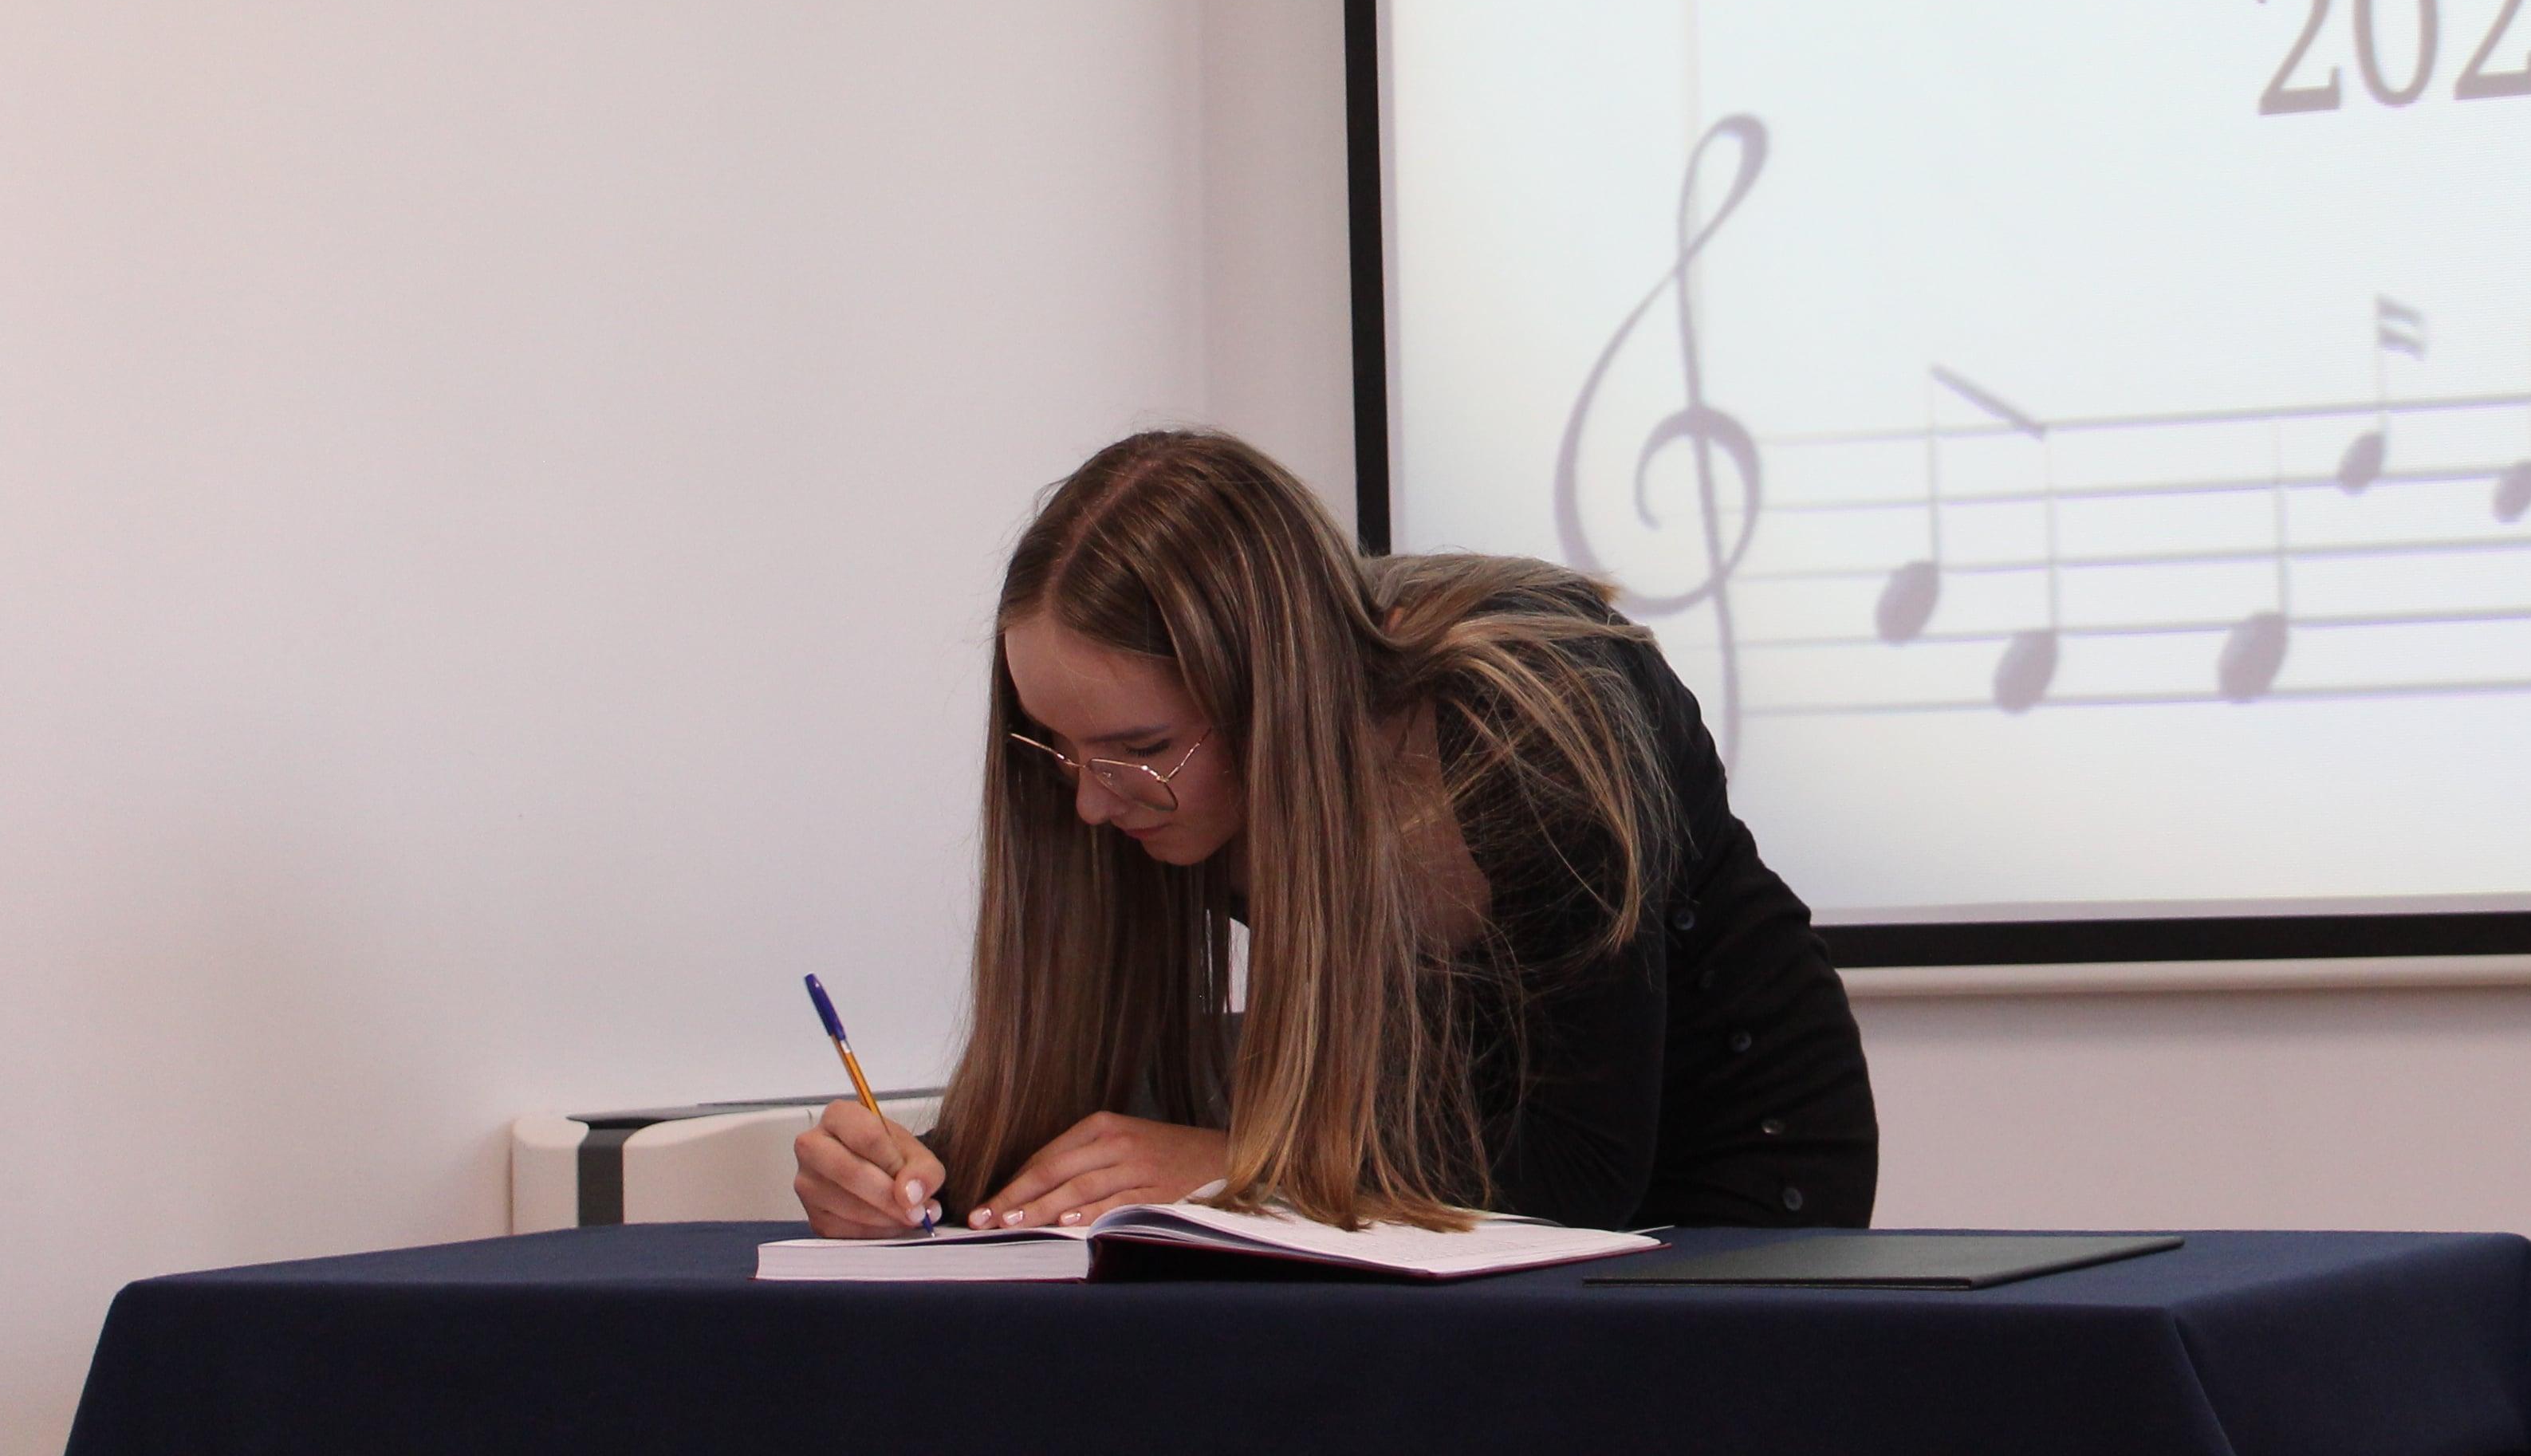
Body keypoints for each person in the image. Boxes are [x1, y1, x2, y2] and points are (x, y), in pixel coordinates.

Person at [791, 429, 1876, 1238]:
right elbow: (1066, 1096)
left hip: (1723, 1166)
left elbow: (1577, 1178)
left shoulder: (1538, 722)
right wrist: (914, 1175)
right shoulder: (1132, 784)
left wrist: (1234, 1170)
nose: (1089, 803)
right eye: (1059, 749)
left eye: (1139, 748)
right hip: (1406, 1173)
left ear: (1278, 696)